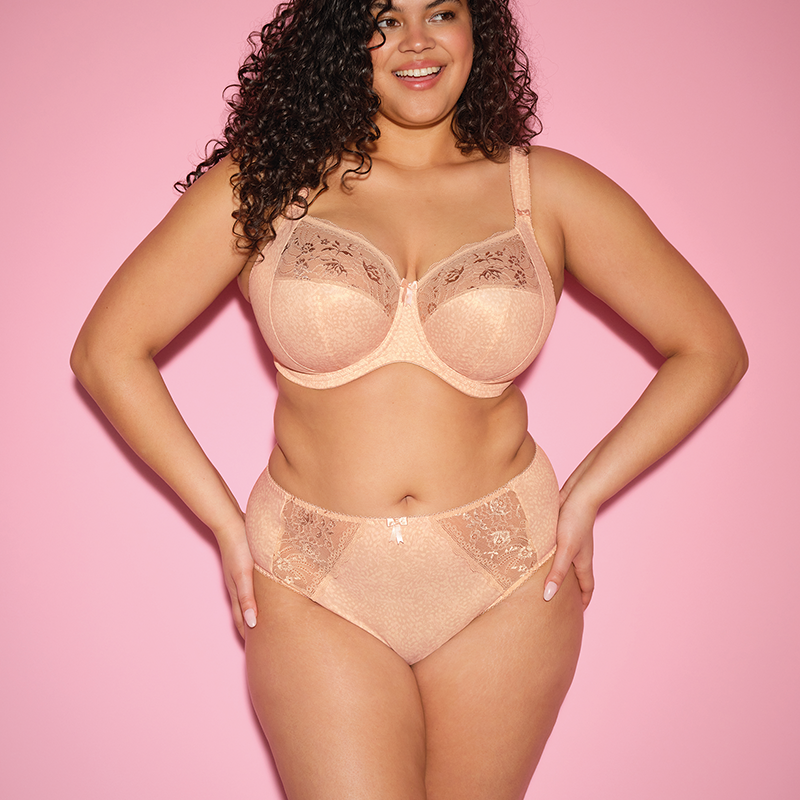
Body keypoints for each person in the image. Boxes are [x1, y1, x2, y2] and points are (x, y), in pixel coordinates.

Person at [70, 0, 748, 797]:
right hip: (312, 575)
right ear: (342, 37)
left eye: (442, 12)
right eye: (385, 18)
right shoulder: (268, 182)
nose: (417, 42)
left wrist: (589, 489)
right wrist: (223, 521)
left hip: (509, 574)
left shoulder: (547, 190)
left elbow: (710, 348)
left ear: (476, 29)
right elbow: (107, 350)